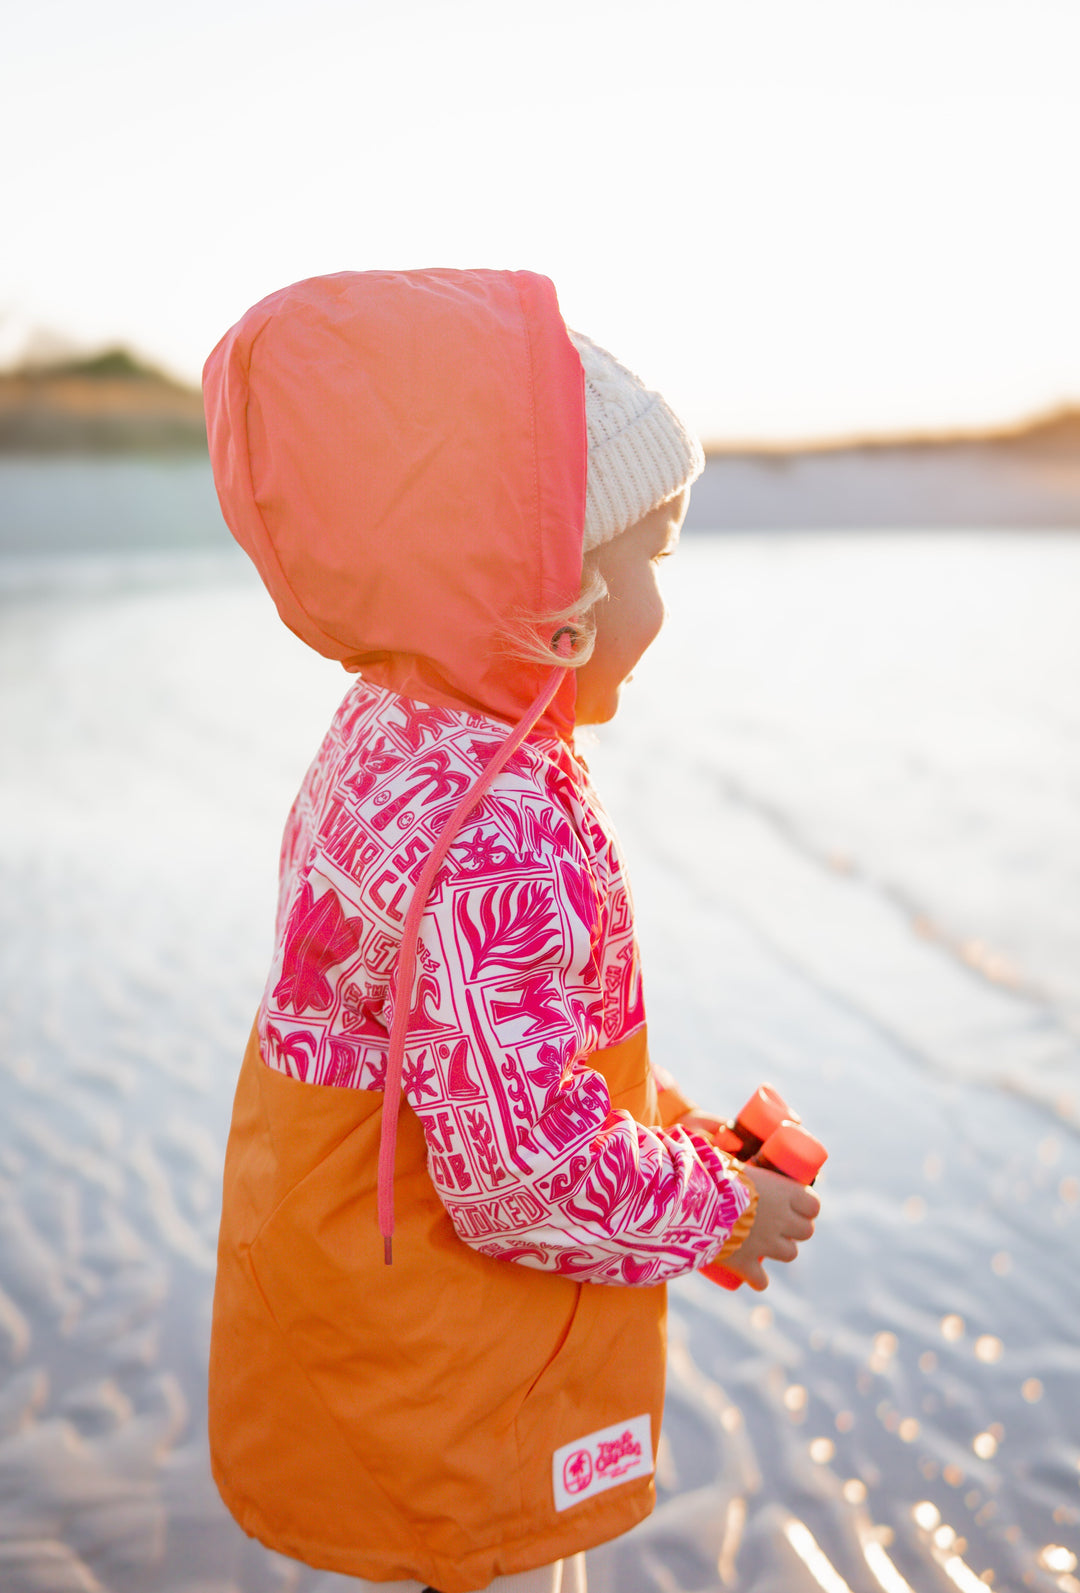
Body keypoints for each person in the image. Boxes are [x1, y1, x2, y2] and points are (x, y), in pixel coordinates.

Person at [203, 270, 819, 1593]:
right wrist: (720, 1205)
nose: (667, 602)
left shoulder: (400, 724)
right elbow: (520, 1173)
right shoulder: (498, 827)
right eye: (655, 557)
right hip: (459, 1372)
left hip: (362, 1318)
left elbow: (478, 1047)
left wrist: (667, 1122)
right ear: (553, 585)